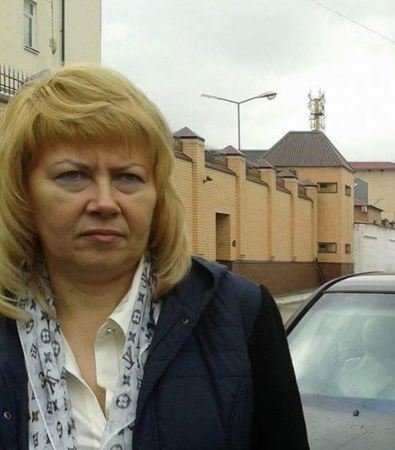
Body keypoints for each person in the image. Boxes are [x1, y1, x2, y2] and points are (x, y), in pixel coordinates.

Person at [0, 65, 309, 449]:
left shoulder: (240, 314)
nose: (104, 203)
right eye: (72, 175)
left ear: (158, 194)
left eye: (128, 177)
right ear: (23, 191)